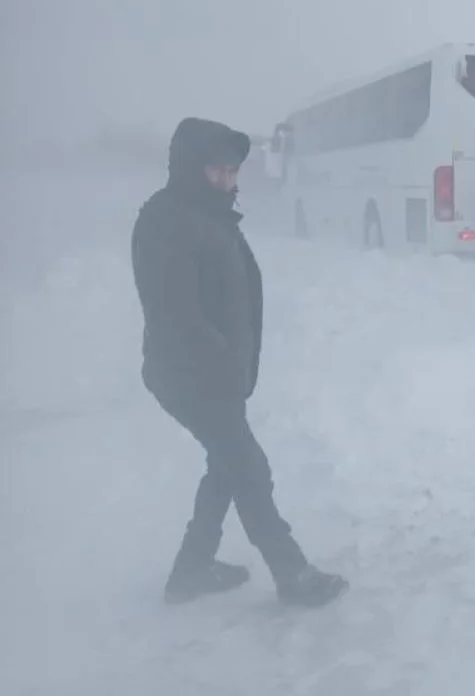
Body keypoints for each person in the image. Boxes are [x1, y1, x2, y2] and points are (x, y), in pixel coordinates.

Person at [131, 117, 348, 607]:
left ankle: (192, 568)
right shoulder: (171, 221)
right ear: (190, 167)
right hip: (192, 377)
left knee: (228, 464)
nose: (228, 182)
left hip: (213, 375)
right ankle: (292, 573)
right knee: (249, 468)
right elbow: (174, 312)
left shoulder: (205, 214)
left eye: (233, 172)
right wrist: (221, 357)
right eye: (217, 171)